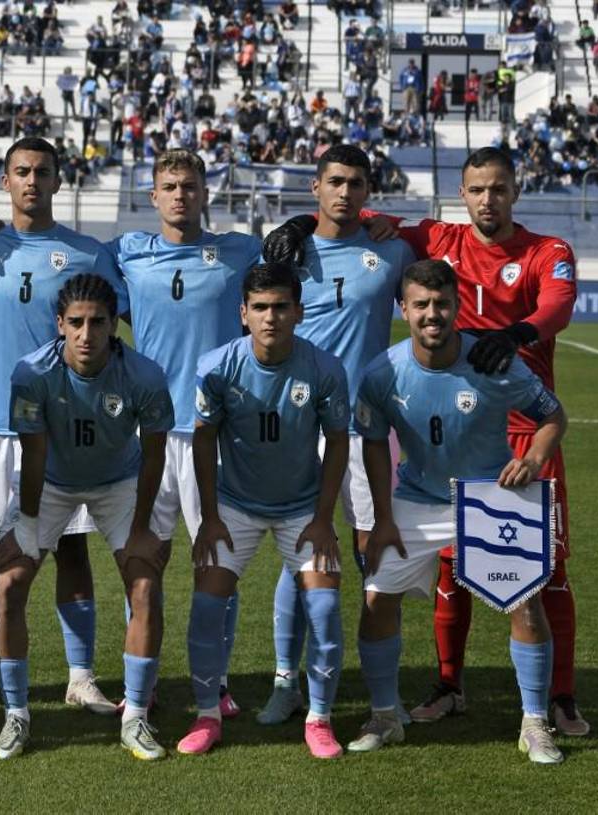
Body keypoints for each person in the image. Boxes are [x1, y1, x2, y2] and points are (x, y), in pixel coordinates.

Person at [266, 146, 586, 737]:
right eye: (477, 189)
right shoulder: (436, 237)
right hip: (437, 418)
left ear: (515, 191)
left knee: (542, 573)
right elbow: (355, 214)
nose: (488, 199)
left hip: (520, 426)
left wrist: (516, 334)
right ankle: (447, 683)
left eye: (498, 188)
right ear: (461, 195)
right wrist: (298, 223)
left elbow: (558, 304)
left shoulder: (548, 250)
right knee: (445, 564)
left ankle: (558, 698)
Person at [350, 258, 568, 765]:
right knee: (377, 599)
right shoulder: (381, 372)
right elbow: (374, 446)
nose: (433, 314)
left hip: (490, 492)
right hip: (416, 498)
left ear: (457, 306)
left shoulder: (493, 362)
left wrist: (534, 457)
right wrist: (382, 516)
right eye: (421, 305)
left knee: (525, 603)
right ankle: (385, 715)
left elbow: (551, 415)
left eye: (442, 304)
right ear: (403, 309)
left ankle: (534, 723)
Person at [0, 137, 128, 717]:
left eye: (43, 172)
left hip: (65, 430)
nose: (32, 180)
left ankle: (80, 676)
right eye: (21, 172)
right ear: (5, 181)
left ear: (59, 182)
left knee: (72, 549)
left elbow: (121, 321)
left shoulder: (87, 253)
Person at [259, 144, 415, 727]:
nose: (345, 193)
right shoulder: (287, 254)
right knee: (298, 557)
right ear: (316, 189)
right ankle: (286, 681)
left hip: (370, 431)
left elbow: (440, 252)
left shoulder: (392, 251)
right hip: (302, 427)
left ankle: (382, 697)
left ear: (369, 192)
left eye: (356, 184)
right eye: (335, 182)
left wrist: (396, 224)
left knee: (375, 554)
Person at [0, 273, 174, 761]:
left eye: (97, 322)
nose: (86, 334)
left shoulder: (145, 375)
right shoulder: (33, 373)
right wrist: (26, 524)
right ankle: (16, 715)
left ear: (115, 325)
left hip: (121, 483)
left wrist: (140, 529)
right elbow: (33, 453)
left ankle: (135, 716)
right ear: (60, 324)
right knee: (8, 585)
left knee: (145, 585)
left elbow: (155, 455)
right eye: (76, 322)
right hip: (50, 483)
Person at [107, 150, 262, 716]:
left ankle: (215, 683)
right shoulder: (127, 253)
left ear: (205, 193)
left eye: (190, 186)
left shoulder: (241, 250)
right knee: (143, 563)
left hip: (213, 435)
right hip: (146, 436)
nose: (180, 195)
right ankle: (139, 686)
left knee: (217, 564)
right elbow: (70, 259)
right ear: (153, 196)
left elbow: (301, 258)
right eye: (169, 186)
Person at [180, 262, 350, 760]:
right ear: (243, 314)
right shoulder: (216, 366)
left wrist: (322, 519)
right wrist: (210, 516)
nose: (270, 317)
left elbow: (337, 444)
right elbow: (203, 439)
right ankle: (207, 714)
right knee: (208, 605)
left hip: (302, 508)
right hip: (235, 506)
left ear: (298, 311)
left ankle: (319, 717)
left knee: (323, 607)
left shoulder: (324, 368)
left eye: (280, 307)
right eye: (259, 308)